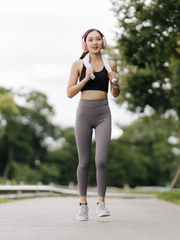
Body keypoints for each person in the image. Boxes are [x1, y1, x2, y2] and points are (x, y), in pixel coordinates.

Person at [67, 29, 120, 221]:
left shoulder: (110, 64)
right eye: (91, 39)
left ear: (103, 43)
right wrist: (85, 78)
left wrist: (115, 82)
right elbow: (70, 93)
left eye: (98, 39)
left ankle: (101, 203)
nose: (94, 42)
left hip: (103, 113)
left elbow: (115, 94)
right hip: (84, 113)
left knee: (101, 160)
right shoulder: (78, 65)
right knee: (84, 161)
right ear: (85, 44)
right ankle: (83, 205)